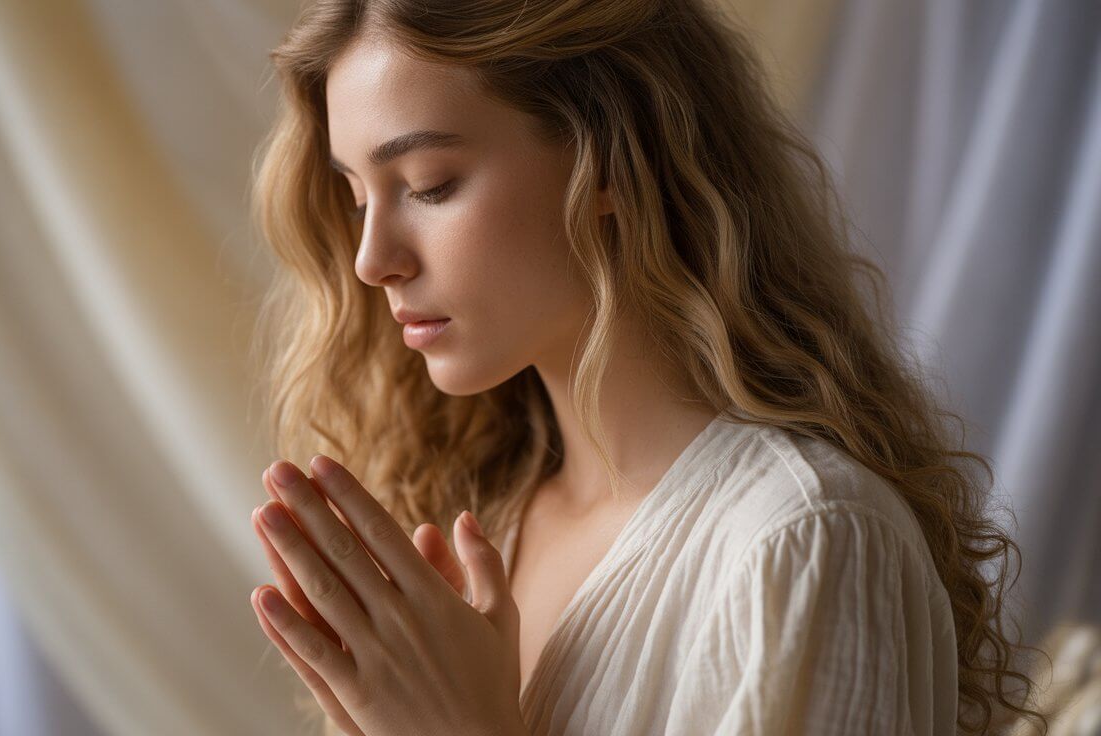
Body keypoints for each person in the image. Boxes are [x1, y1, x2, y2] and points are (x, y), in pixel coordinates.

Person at [244, 1, 1042, 734]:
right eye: (357, 198)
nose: (372, 259)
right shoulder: (474, 520)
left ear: (611, 160)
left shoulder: (804, 539)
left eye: (429, 185)